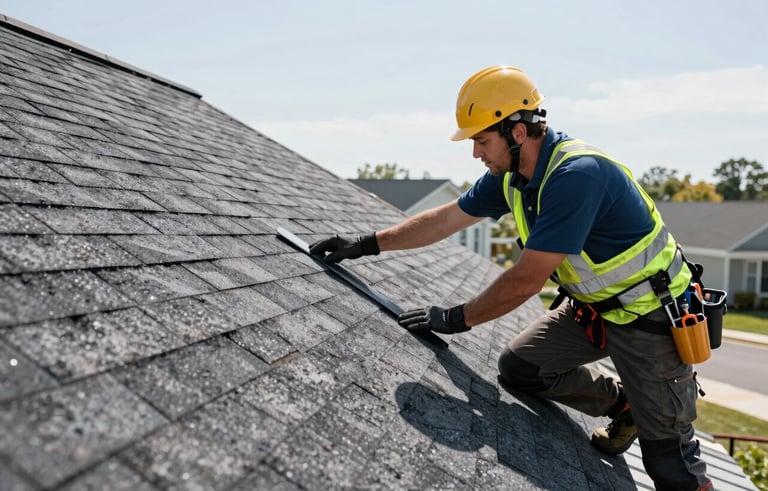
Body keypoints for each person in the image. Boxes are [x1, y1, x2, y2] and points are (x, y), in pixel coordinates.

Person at [309, 66, 711, 490]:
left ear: (517, 132)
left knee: (670, 462)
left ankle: (652, 422)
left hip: (651, 320)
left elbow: (525, 281)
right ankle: (623, 403)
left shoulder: (577, 176)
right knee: (520, 368)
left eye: (482, 140)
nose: (476, 153)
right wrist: (366, 242)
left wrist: (453, 319)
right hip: (596, 312)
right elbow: (445, 219)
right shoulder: (513, 179)